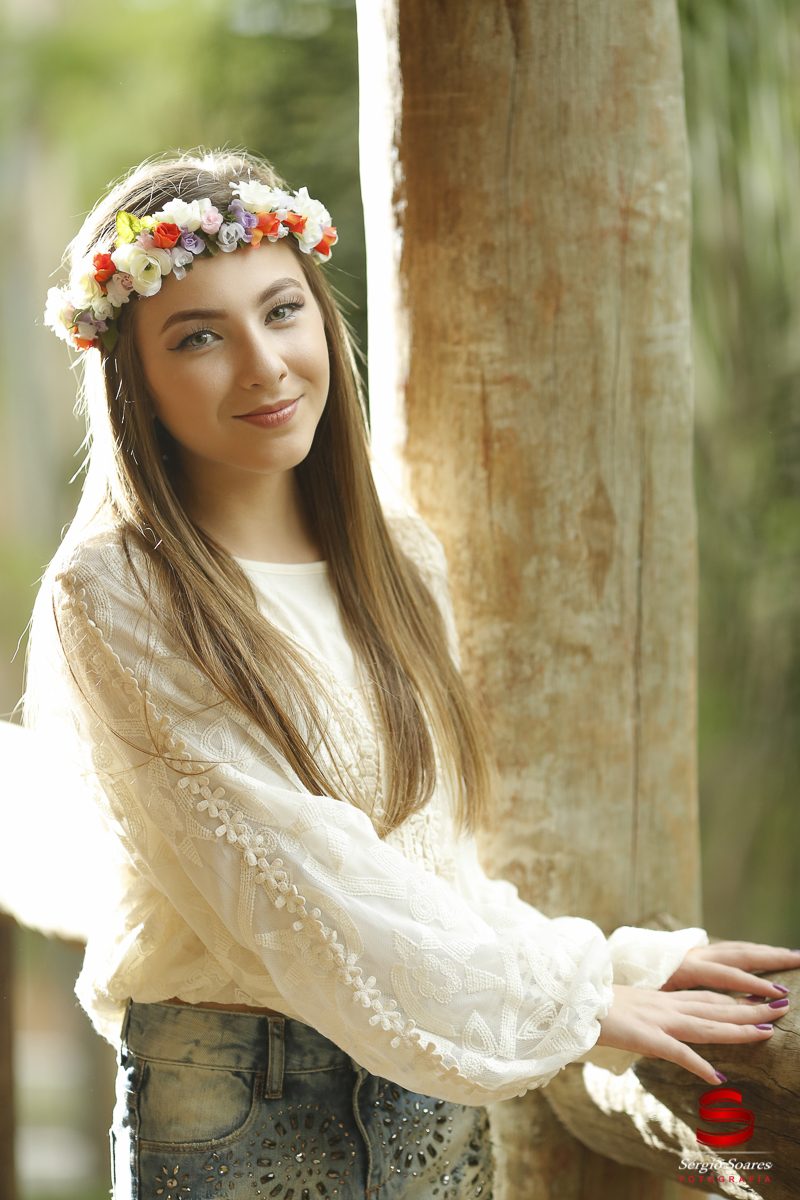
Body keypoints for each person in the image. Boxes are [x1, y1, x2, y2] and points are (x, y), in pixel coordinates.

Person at [24, 148, 796, 1200]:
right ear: (135, 378)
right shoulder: (113, 593)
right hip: (237, 1109)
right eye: (198, 336)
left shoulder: (393, 557)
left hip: (430, 1101)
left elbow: (429, 872)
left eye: (282, 311)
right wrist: (581, 1001)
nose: (263, 364)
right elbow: (286, 868)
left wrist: (615, 968)